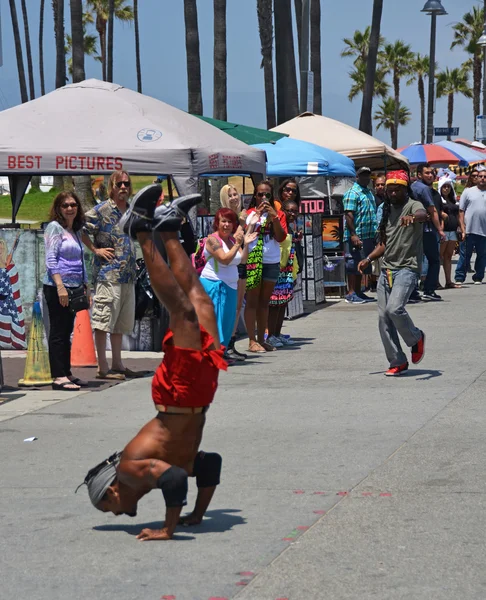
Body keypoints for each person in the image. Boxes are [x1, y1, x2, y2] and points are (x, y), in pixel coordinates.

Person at [78, 186, 226, 541]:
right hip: (196, 397)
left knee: (185, 314)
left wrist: (167, 528)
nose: (122, 512)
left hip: (179, 396)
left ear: (110, 492)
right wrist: (196, 514)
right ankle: (170, 229)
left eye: (110, 508)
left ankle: (141, 232)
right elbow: (207, 463)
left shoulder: (129, 472)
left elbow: (174, 479)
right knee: (201, 305)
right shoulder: (137, 477)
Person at [358, 171, 427, 377]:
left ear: (406, 189)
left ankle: (416, 338)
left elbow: (424, 215)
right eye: (390, 190)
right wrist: (369, 259)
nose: (394, 193)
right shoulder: (385, 210)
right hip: (387, 269)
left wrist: (413, 218)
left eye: (398, 189)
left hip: (407, 268)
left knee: (395, 309)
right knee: (383, 318)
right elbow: (383, 244)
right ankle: (397, 360)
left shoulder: (413, 206)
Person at [83, 171, 143, 380]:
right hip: (108, 276)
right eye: (120, 184)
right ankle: (102, 367)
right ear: (112, 186)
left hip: (128, 276)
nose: (124, 187)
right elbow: (80, 227)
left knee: (119, 323)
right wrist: (95, 249)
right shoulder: (102, 210)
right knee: (103, 321)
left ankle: (118, 364)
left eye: (127, 183)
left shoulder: (131, 211)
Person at [43, 192, 89, 390]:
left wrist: (85, 285)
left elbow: (81, 261)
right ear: (58, 209)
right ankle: (58, 376)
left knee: (67, 331)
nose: (70, 208)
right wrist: (60, 286)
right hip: (57, 287)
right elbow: (51, 259)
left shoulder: (75, 230)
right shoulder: (54, 228)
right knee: (58, 332)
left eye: (73, 205)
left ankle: (66, 372)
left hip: (74, 286)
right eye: (65, 205)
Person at [200, 208, 257, 359]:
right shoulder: (212, 240)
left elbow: (241, 260)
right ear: (217, 223)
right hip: (214, 285)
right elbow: (224, 259)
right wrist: (239, 244)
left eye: (229, 222)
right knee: (216, 323)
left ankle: (222, 352)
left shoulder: (232, 240)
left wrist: (246, 244)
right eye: (223, 221)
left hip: (231, 286)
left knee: (227, 323)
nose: (226, 225)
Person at [244, 181, 288, 353]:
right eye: (260, 195)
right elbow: (245, 233)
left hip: (272, 260)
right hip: (254, 260)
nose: (263, 198)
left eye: (267, 195)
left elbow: (281, 237)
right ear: (255, 196)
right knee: (252, 302)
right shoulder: (249, 213)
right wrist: (256, 216)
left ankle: (262, 339)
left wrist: (274, 217)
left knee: (265, 303)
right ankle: (251, 340)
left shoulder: (278, 214)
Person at [219, 184, 248, 360]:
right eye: (230, 195)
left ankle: (232, 342)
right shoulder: (225, 217)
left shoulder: (240, 216)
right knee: (229, 308)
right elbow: (233, 240)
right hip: (229, 265)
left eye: (235, 194)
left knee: (238, 307)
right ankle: (225, 345)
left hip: (241, 262)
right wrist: (242, 225)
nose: (234, 198)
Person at [267, 199, 301, 347]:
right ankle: (270, 335)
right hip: (277, 269)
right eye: (289, 211)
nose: (292, 214)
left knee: (282, 304)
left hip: (287, 270)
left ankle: (277, 333)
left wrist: (294, 272)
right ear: (283, 211)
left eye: (295, 211)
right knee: (274, 304)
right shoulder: (279, 226)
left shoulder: (291, 227)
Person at [410, 163, 446, 301]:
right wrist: (440, 230)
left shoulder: (412, 187)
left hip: (413, 230)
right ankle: (429, 290)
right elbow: (433, 210)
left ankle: (412, 291)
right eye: (427, 173)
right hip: (426, 230)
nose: (430, 175)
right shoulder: (424, 189)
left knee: (414, 261)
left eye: (431, 173)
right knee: (434, 260)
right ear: (419, 175)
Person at [343, 166, 378, 304]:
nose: (365, 178)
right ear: (357, 177)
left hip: (368, 234)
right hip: (356, 235)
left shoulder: (368, 192)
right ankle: (351, 293)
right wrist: (353, 234)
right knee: (353, 263)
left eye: (367, 175)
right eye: (362, 175)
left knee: (361, 263)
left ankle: (358, 291)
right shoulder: (352, 193)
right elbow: (349, 215)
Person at [456, 170, 486, 284]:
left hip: (484, 231)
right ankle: (459, 277)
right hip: (469, 229)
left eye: (485, 176)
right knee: (465, 255)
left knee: (482, 255)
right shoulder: (468, 191)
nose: (482, 178)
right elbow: (461, 211)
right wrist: (463, 228)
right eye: (480, 176)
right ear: (476, 178)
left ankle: (478, 277)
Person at [0, 236, 26, 350]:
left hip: (7, 299)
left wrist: (7, 267)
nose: (0, 250)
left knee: (8, 319)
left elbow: (14, 280)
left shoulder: (10, 263)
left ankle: (11, 342)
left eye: (1, 248)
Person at [438, 177, 461, 289]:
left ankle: (448, 281)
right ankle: (436, 281)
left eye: (448, 187)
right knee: (439, 256)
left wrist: (461, 228)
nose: (446, 189)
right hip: (444, 231)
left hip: (453, 230)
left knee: (448, 256)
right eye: (444, 187)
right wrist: (441, 213)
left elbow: (458, 214)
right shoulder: (438, 200)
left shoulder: (453, 200)